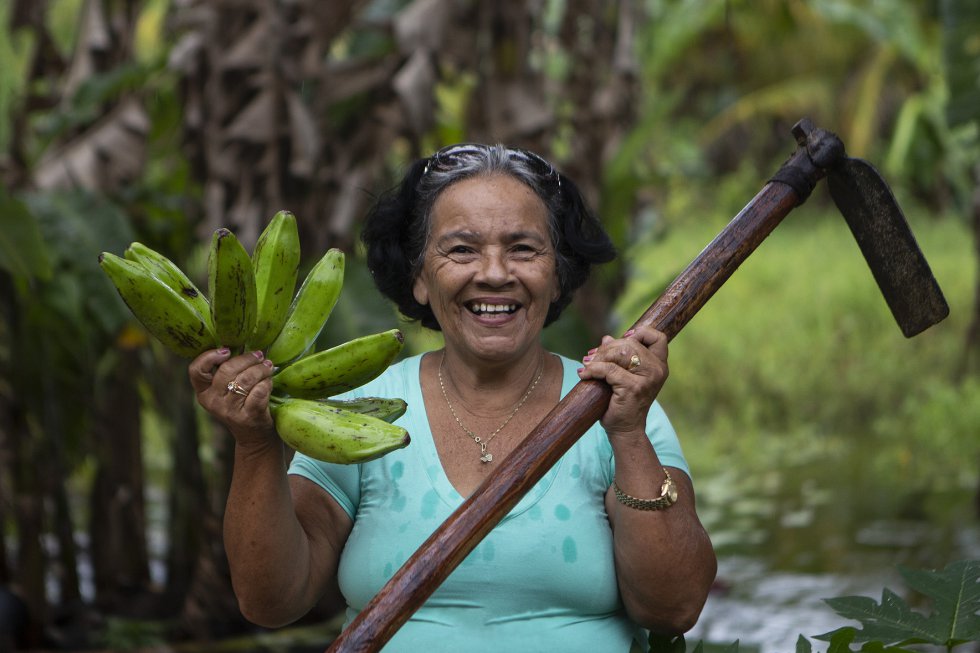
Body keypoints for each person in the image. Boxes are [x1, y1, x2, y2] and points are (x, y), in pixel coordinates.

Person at [188, 143, 717, 652]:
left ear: (557, 276)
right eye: (462, 249)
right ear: (419, 277)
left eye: (523, 249)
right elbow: (271, 602)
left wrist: (627, 434)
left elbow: (673, 610)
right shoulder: (364, 412)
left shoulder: (616, 408)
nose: (493, 273)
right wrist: (256, 446)